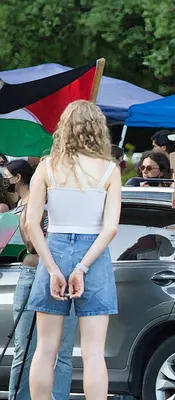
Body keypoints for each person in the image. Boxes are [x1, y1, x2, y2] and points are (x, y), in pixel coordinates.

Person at [25, 100, 121, 400]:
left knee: (45, 349)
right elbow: (111, 229)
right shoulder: (109, 170)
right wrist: (82, 267)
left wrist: (53, 268)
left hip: (53, 248)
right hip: (93, 252)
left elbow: (31, 224)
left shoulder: (46, 167)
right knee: (93, 353)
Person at [9, 204, 78, 400]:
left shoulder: (74, 206)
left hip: (66, 278)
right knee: (24, 349)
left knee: (62, 352)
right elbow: (31, 245)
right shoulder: (33, 209)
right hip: (33, 275)